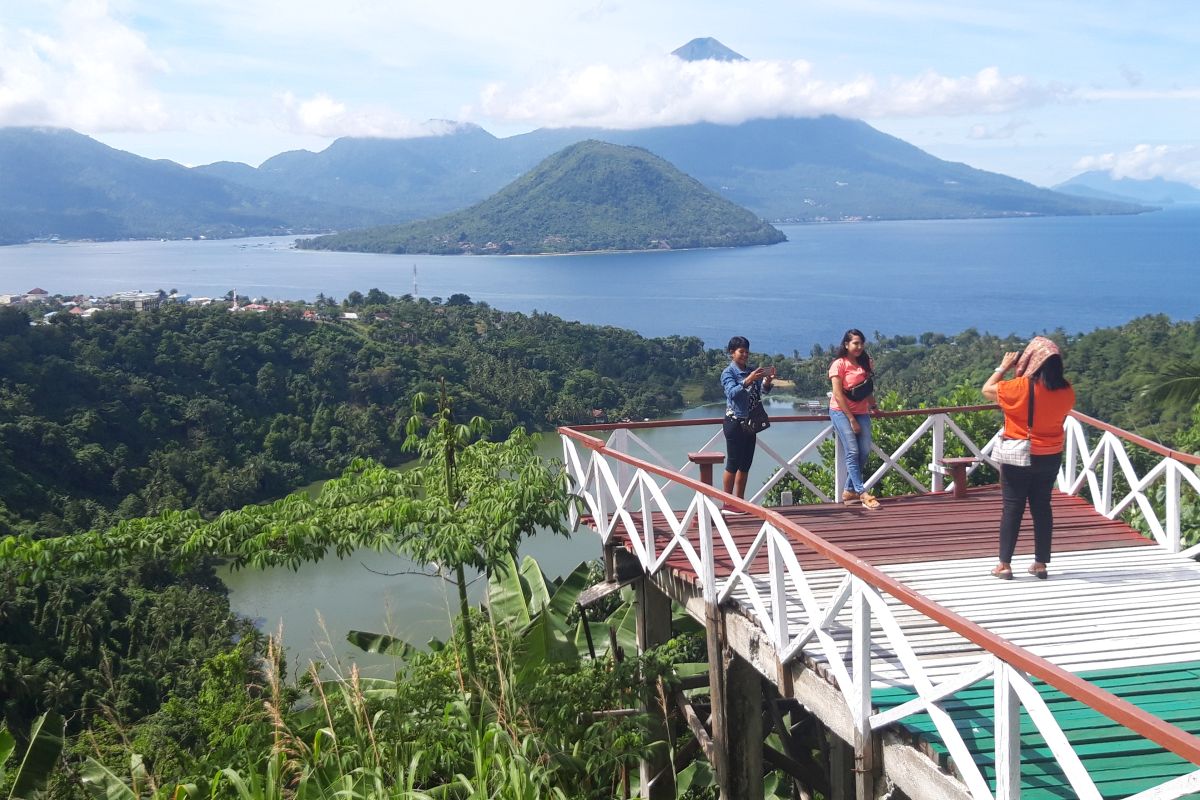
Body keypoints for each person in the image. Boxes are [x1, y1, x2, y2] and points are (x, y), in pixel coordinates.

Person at [982, 336, 1076, 580]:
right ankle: (1040, 563)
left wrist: (1003, 367)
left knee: (1012, 507)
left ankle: (1004, 565)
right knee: (1042, 507)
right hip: (1051, 455)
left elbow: (986, 389)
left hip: (1019, 454)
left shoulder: (1020, 387)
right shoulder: (1067, 391)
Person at [828, 329, 882, 510]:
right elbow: (837, 393)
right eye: (855, 343)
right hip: (840, 412)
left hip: (862, 411)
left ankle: (849, 490)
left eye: (861, 343)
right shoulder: (839, 365)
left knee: (864, 450)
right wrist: (851, 419)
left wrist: (874, 407)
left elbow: (867, 389)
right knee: (852, 451)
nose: (859, 347)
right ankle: (862, 492)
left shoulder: (865, 363)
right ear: (846, 345)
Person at [721, 336, 774, 515]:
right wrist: (748, 380)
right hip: (735, 422)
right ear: (732, 353)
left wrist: (766, 382)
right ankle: (727, 503)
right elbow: (732, 393)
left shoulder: (752, 371)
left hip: (751, 423)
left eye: (746, 351)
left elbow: (762, 392)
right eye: (741, 351)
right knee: (733, 463)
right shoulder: (728, 373)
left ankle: (739, 502)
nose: (744, 355)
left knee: (745, 464)